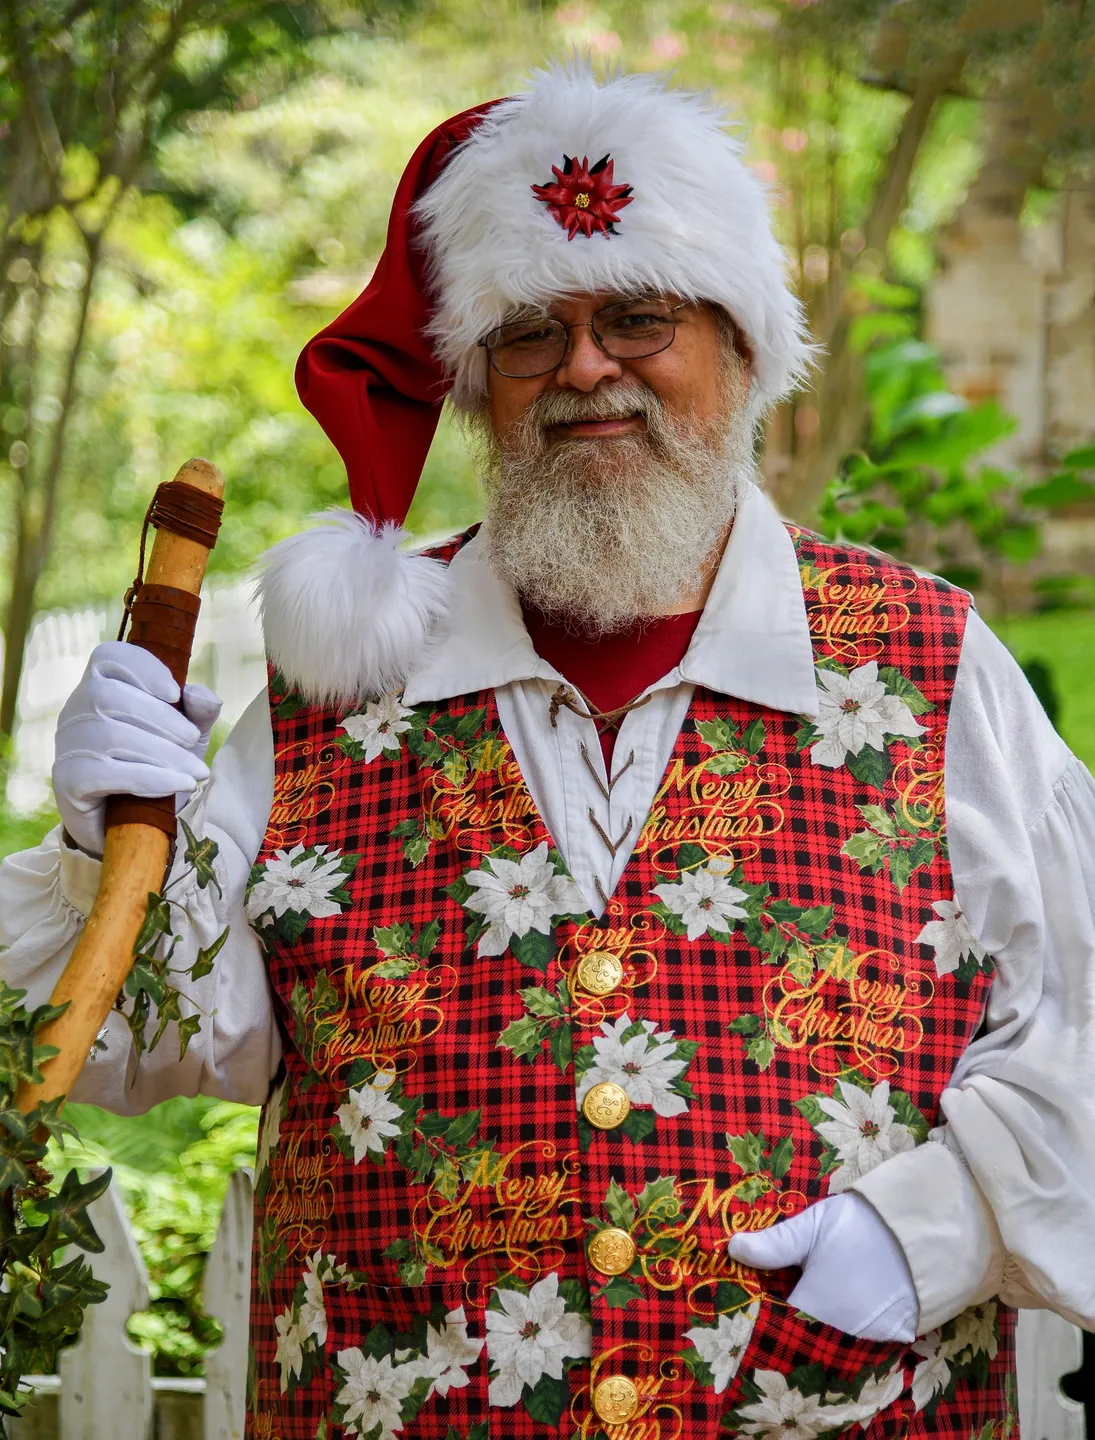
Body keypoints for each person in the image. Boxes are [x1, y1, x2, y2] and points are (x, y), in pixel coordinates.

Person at [2, 62, 1093, 1440]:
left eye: (638, 319)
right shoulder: (332, 689)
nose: (585, 368)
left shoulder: (930, 665)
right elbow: (128, 1049)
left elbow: (1085, 1017)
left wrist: (940, 1224)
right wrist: (100, 854)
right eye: (531, 333)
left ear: (741, 354)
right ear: (477, 389)